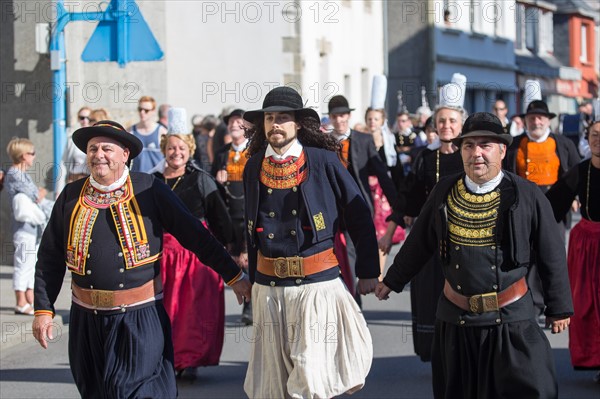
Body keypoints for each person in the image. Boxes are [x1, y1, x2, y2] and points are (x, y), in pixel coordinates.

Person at [32, 120, 251, 398]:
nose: (99, 154)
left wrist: (233, 275)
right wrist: (43, 308)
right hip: (86, 321)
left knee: (134, 391)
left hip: (137, 317)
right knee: (96, 392)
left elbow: (196, 235)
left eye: (107, 149)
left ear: (125, 154)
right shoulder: (71, 196)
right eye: (92, 148)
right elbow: (49, 255)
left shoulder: (149, 189)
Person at [376, 112, 573, 399]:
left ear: (502, 150)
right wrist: (392, 279)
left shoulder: (526, 194)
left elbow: (551, 253)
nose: (476, 153)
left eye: (485, 145)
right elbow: (420, 241)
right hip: (456, 321)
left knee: (534, 390)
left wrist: (559, 307)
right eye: (469, 146)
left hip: (511, 320)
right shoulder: (445, 190)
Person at [242, 87, 379, 398]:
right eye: (269, 118)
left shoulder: (322, 160)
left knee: (310, 375)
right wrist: (250, 279)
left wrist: (368, 269)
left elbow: (358, 213)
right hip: (269, 287)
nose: (275, 124)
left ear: (298, 124)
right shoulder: (253, 166)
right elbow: (250, 225)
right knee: (273, 383)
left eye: (282, 118)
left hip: (315, 285)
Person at [380, 74, 468, 362]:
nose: (446, 126)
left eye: (452, 121)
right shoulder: (425, 158)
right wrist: (389, 230)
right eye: (441, 121)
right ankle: (437, 348)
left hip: (465, 236)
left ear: (461, 124)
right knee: (431, 294)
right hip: (431, 238)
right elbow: (410, 197)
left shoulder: (470, 156)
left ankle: (463, 347)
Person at [152, 108, 234, 380]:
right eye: (171, 148)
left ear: (189, 150)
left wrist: (232, 252)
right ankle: (166, 358)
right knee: (165, 310)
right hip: (162, 256)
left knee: (191, 311)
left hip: (196, 257)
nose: (177, 153)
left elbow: (220, 220)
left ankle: (187, 359)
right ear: (165, 150)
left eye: (181, 148)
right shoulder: (152, 182)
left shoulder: (201, 180)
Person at [505, 98, 580, 318]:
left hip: (553, 204)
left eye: (540, 117)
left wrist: (575, 197)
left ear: (547, 120)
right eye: (531, 118)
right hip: (522, 206)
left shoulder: (563, 143)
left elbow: (575, 173)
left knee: (553, 255)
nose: (536, 121)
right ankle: (531, 303)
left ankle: (555, 304)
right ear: (525, 121)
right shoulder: (515, 144)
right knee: (525, 255)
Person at [546, 102, 600, 383]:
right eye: (594, 136)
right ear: (587, 140)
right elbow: (552, 203)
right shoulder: (580, 171)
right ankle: (595, 359)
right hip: (587, 246)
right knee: (587, 305)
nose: (599, 141)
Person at [328, 95, 399, 298]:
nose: (339, 120)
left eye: (342, 116)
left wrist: (398, 207)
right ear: (331, 118)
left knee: (352, 256)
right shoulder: (324, 143)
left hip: (356, 206)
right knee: (333, 258)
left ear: (349, 116)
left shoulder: (363, 140)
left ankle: (353, 304)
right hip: (331, 209)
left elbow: (382, 175)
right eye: (335, 117)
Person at [211, 108, 253, 324]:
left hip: (249, 213)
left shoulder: (254, 151)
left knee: (250, 261)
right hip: (229, 215)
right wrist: (217, 181)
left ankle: (250, 306)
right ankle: (241, 299)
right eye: (231, 122)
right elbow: (212, 191)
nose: (234, 125)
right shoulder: (221, 154)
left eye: (239, 121)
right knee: (233, 263)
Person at [5, 138, 52, 315]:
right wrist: (40, 192)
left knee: (30, 264)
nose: (34, 156)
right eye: (32, 153)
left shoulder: (20, 174)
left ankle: (29, 299)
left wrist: (39, 193)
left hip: (32, 228)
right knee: (23, 264)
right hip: (23, 227)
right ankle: (20, 301)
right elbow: (35, 194)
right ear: (23, 155)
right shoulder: (15, 174)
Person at [365, 107, 405, 274]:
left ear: (382, 121)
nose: (372, 122)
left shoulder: (388, 142)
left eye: (376, 119)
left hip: (384, 194)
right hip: (367, 191)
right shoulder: (361, 141)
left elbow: (396, 171)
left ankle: (379, 272)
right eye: (370, 119)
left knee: (382, 233)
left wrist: (399, 197)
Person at [129, 95, 167, 173]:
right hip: (137, 179)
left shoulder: (162, 132)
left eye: (146, 110)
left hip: (156, 180)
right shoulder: (131, 131)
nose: (142, 113)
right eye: (140, 109)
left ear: (153, 111)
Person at [61, 106, 92, 188]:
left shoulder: (96, 139)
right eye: (82, 118)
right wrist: (60, 188)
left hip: (90, 180)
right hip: (74, 178)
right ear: (78, 119)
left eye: (88, 118)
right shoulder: (72, 139)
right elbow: (64, 163)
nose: (85, 121)